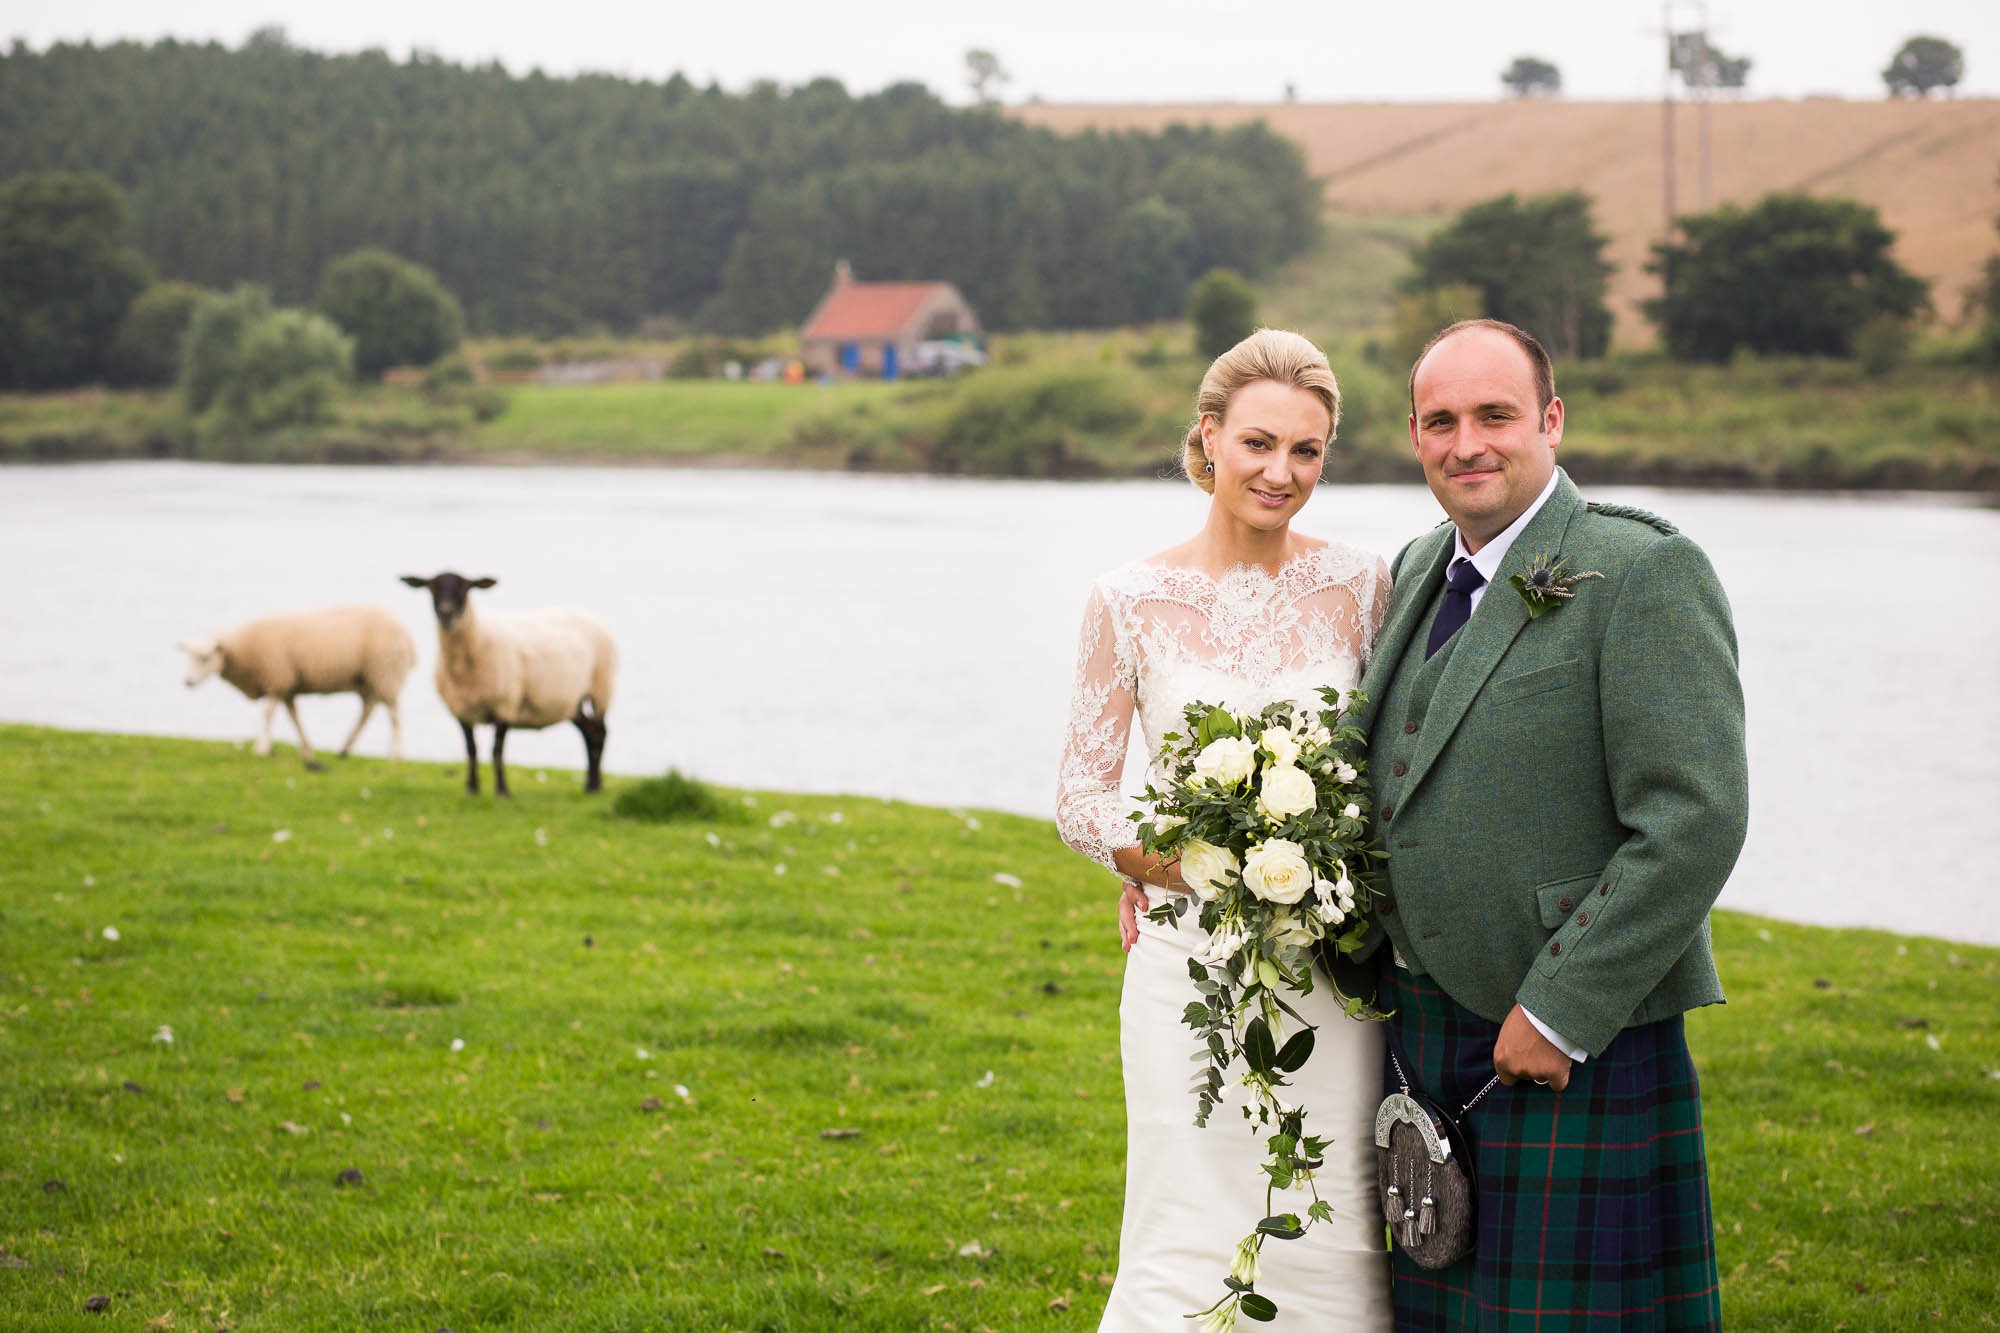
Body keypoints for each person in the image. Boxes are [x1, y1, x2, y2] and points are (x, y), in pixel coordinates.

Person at [1357, 318, 1747, 1331]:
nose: (1466, 443)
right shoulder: (1410, 570)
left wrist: (1564, 1006)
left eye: (1494, 414)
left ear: (1551, 420)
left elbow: (1692, 819)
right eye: (1439, 421)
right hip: (1423, 1034)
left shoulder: (1640, 569)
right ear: (1412, 434)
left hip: (1573, 1036)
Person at [1057, 328, 1394, 1330]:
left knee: (1330, 1211)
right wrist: (1170, 862)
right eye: (1257, 443)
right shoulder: (1126, 601)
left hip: (1329, 963)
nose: (1279, 472)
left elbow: (1390, 769)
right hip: (1186, 965)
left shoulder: (1363, 587)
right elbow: (1081, 794)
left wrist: (1316, 866)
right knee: (1185, 1225)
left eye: (1306, 451)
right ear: (1207, 437)